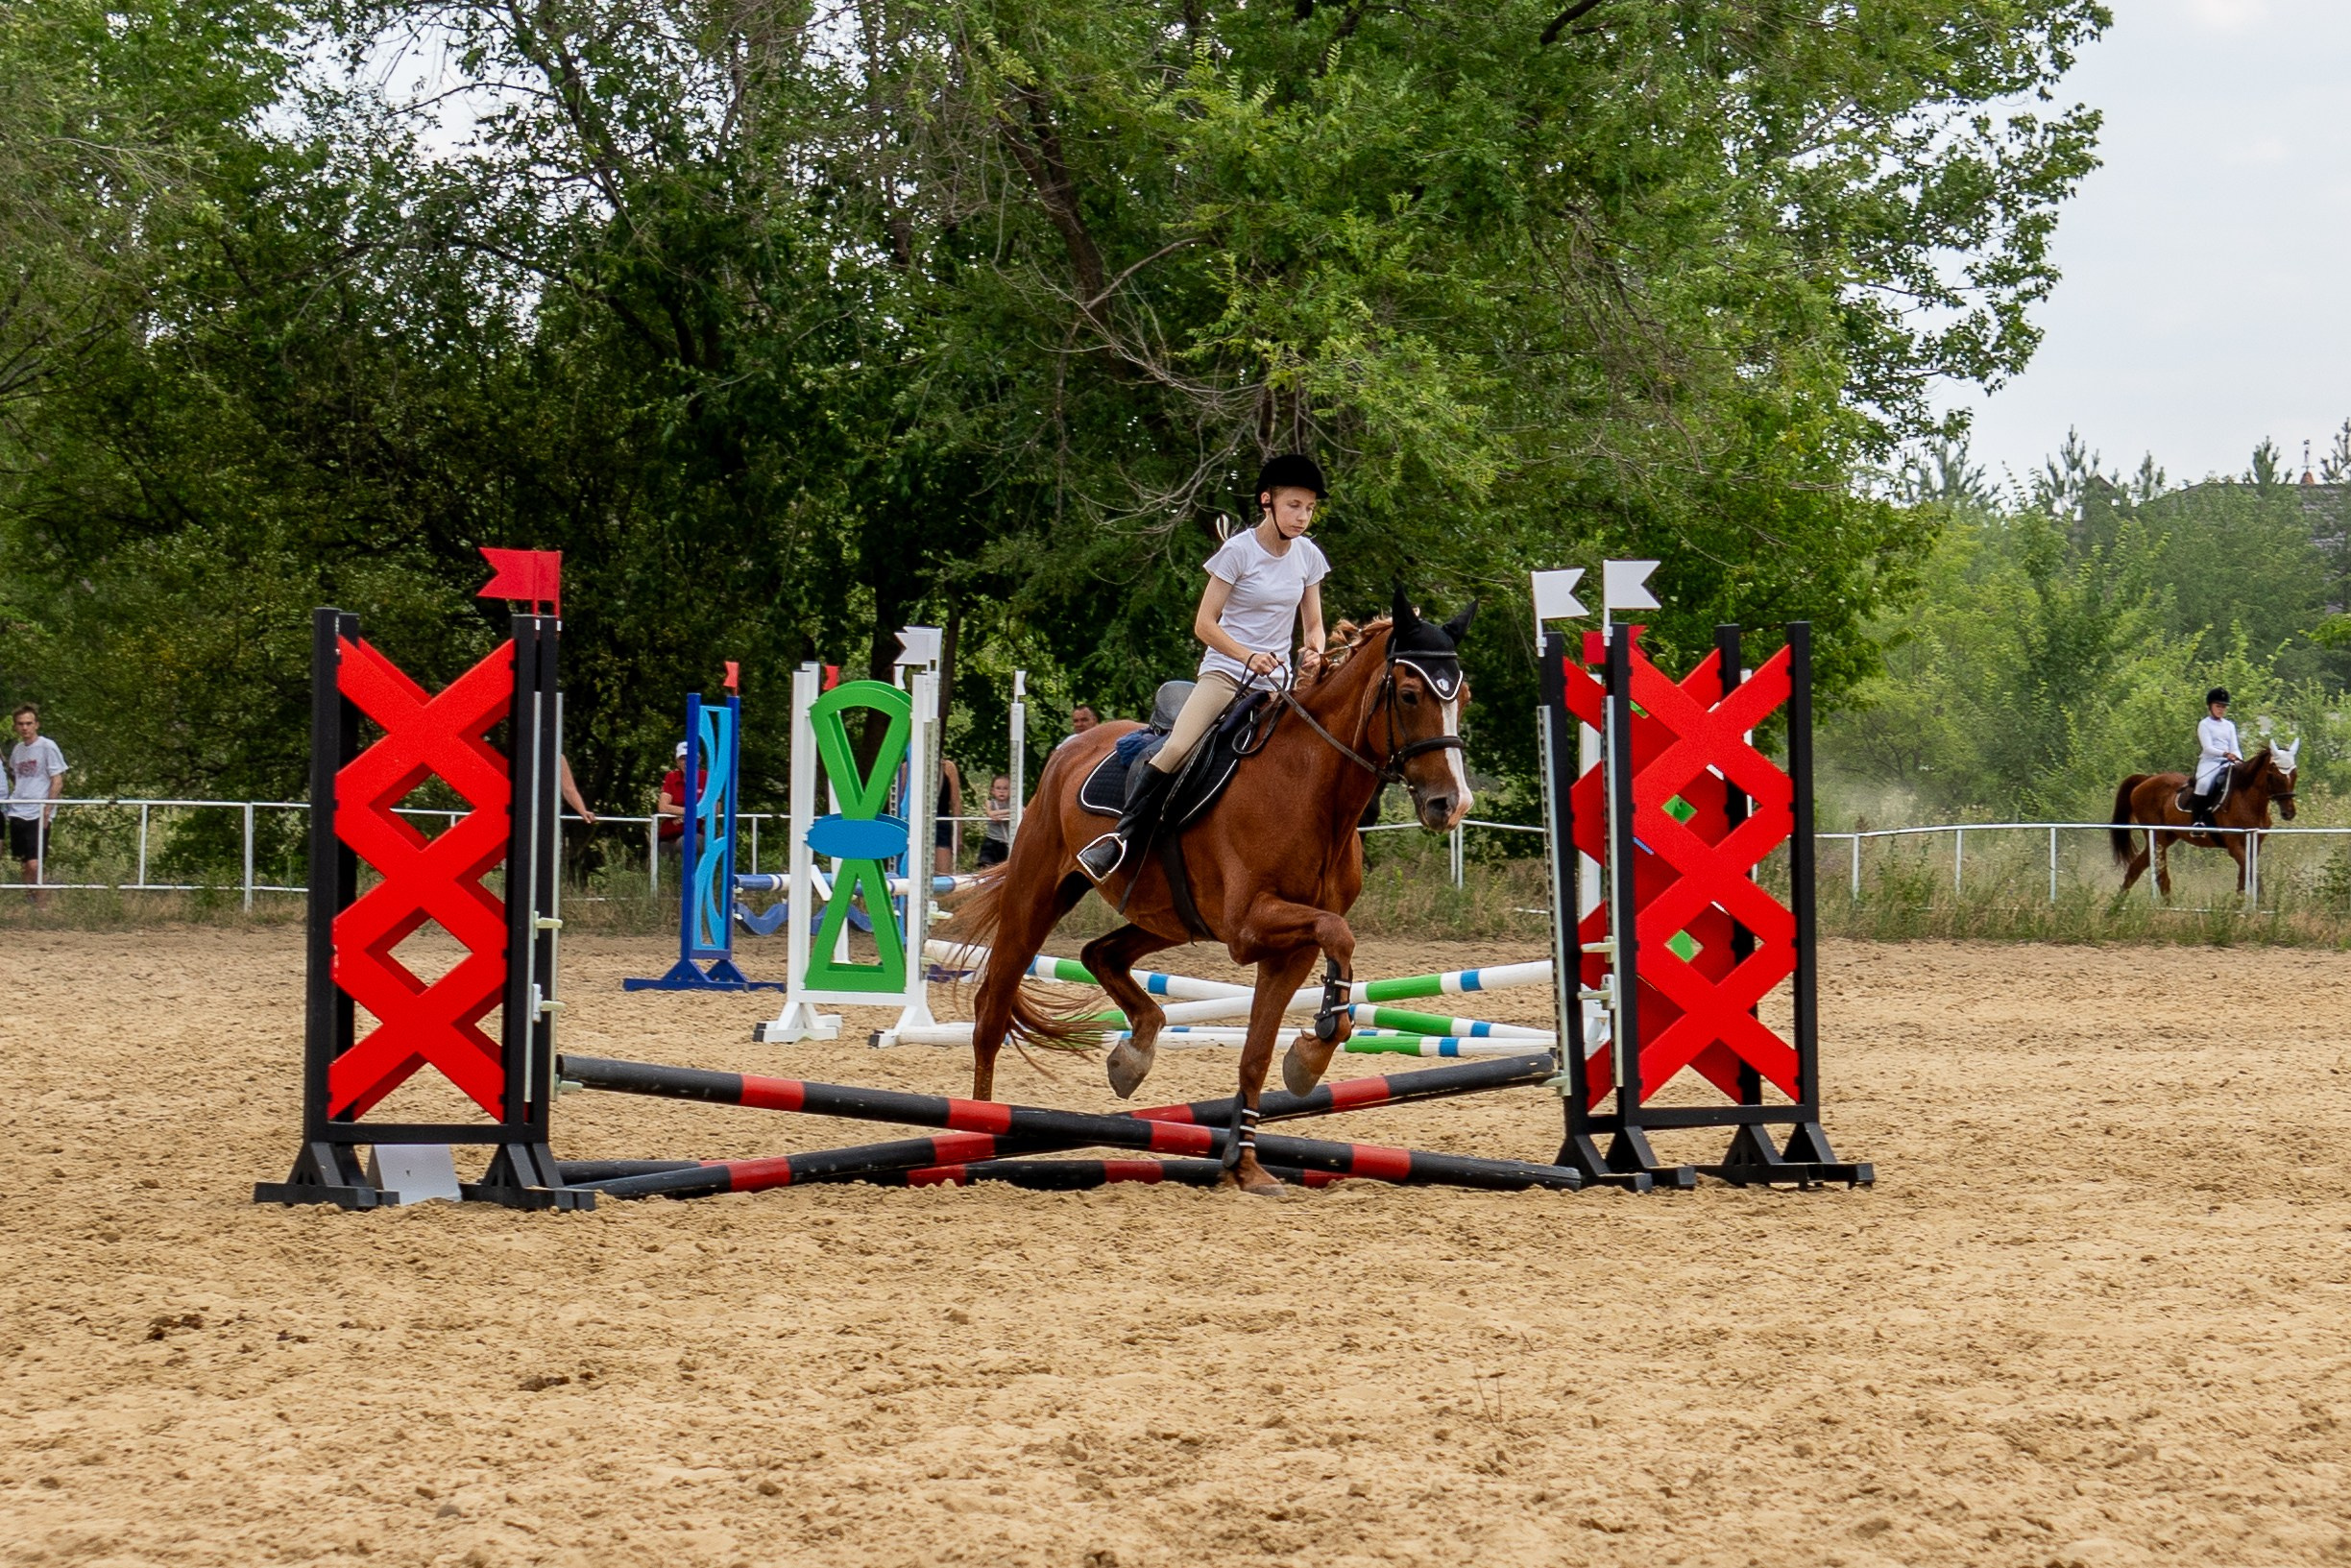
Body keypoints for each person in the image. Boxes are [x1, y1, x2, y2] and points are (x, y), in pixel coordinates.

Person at [1076, 453, 1330, 883]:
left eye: (1309, 508)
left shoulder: (1307, 555)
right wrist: (1247, 655)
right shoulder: (1238, 551)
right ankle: (1121, 838)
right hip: (1227, 675)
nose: (1302, 516)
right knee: (1178, 747)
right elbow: (1204, 624)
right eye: (1294, 505)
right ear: (1267, 500)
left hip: (1279, 683)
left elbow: (1315, 626)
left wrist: (1314, 651)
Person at [9, 704, 67, 899]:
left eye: (28, 723)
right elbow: (16, 776)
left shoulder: (47, 746)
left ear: (36, 724)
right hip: (18, 810)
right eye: (21, 724)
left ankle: (42, 904)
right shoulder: (17, 750)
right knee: (25, 863)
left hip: (38, 810)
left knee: (35, 862)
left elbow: (57, 779)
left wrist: (47, 810)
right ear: (15, 726)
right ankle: (30, 900)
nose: (25, 728)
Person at [2190, 687, 2242, 830]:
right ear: (2210, 706)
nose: (2221, 709)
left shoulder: (2229, 725)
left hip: (2228, 762)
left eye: (2223, 707)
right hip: (2210, 762)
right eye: (2218, 706)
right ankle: (2197, 820)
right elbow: (2208, 748)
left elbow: (2235, 746)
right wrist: (2225, 754)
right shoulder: (2204, 724)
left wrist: (2238, 759)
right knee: (2204, 783)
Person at [656, 740, 689, 855]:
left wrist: (681, 814)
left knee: (685, 842)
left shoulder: (706, 777)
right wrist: (690, 812)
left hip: (694, 833)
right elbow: (663, 807)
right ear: (677, 762)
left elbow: (715, 808)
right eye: (683, 758)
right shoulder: (671, 777)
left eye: (691, 757)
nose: (687, 762)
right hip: (669, 834)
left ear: (698, 759)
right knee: (663, 849)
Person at [934, 755, 965, 875]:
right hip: (914, 822)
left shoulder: (948, 767)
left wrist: (958, 835)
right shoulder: (907, 767)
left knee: (943, 874)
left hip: (941, 822)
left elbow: (956, 802)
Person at [977, 773, 1013, 867]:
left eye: (1005, 788)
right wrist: (1010, 812)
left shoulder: (1013, 803)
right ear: (992, 791)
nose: (1002, 791)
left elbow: (1023, 811)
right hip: (992, 841)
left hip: (1007, 842)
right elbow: (991, 813)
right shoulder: (990, 803)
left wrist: (1002, 813)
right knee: (986, 863)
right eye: (998, 788)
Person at [559, 756, 595, 824]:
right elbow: (569, 789)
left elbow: (569, 789)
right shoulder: (557, 756)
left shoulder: (557, 756)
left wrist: (582, 810)